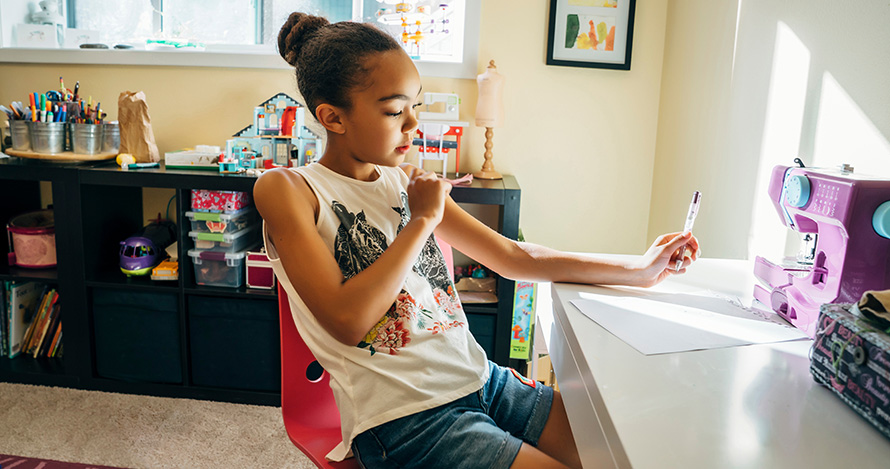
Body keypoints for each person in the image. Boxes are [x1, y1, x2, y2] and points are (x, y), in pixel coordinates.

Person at [255, 12, 700, 469]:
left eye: (416, 106)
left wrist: (638, 269)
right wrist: (422, 220)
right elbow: (348, 321)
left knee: (619, 451)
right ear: (332, 116)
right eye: (393, 110)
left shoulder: (405, 180)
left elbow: (512, 256)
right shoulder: (288, 190)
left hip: (482, 380)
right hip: (406, 421)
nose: (412, 124)